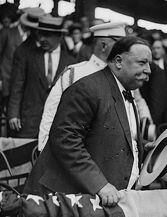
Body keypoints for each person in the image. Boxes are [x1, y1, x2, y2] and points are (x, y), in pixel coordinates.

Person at [23, 36, 152, 207]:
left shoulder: (124, 91)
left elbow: (110, 132)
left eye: (149, 64)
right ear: (119, 61)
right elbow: (65, 140)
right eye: (142, 62)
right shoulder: (88, 88)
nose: (149, 70)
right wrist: (99, 185)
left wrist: (141, 146)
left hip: (90, 201)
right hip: (62, 200)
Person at [38, 22, 152, 151]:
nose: (126, 50)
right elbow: (51, 113)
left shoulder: (124, 76)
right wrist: (44, 149)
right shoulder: (75, 74)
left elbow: (135, 105)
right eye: (120, 45)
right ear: (104, 45)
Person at [8, 15, 75, 138]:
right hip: (29, 121)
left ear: (59, 36)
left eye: (47, 35)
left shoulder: (71, 61)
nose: (42, 39)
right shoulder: (28, 56)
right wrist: (13, 113)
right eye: (41, 34)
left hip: (57, 123)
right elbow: (17, 86)